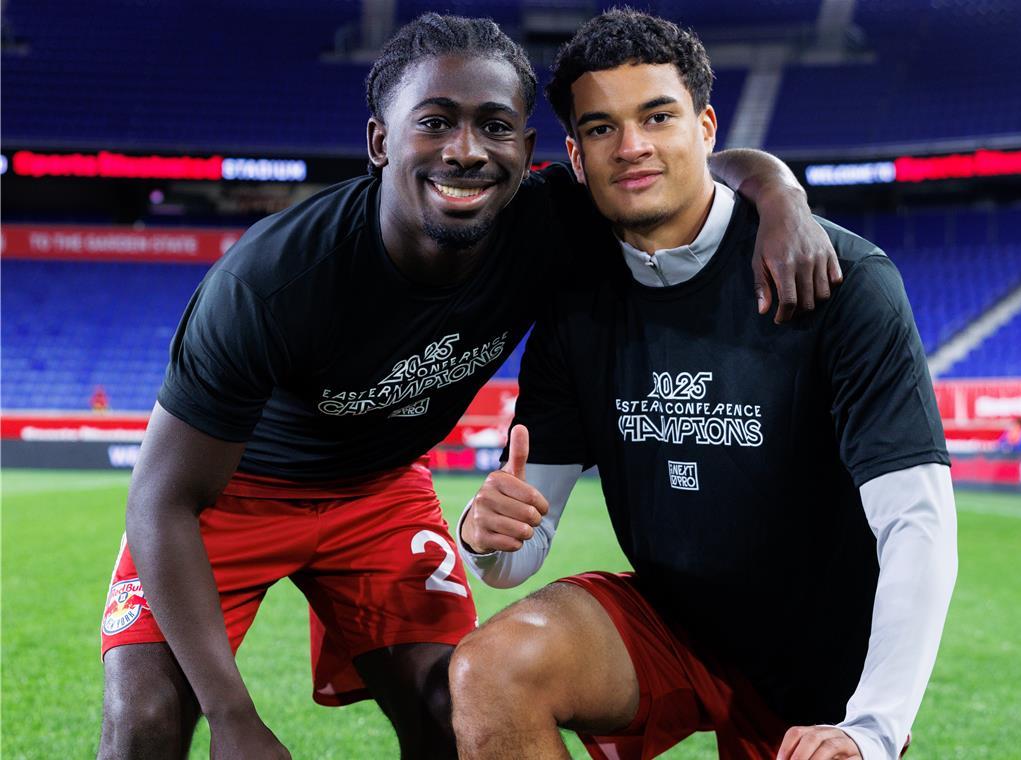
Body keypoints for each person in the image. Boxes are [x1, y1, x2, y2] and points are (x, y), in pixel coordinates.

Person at [96, 13, 839, 760]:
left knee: (454, 705)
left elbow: (697, 166)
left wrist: (780, 197)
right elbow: (161, 497)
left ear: (528, 149)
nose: (466, 150)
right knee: (148, 718)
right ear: (380, 142)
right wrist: (232, 715)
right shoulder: (272, 283)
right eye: (435, 122)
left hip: (380, 491)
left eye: (493, 126)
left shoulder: (549, 221)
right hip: (234, 496)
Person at [450, 10, 957, 760]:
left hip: (820, 665)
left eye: (658, 115)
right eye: (601, 128)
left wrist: (871, 726)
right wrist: (487, 539)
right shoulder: (576, 295)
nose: (633, 147)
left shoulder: (840, 281)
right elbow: (519, 555)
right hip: (671, 627)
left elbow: (918, 524)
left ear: (707, 125)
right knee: (491, 670)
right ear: (575, 154)